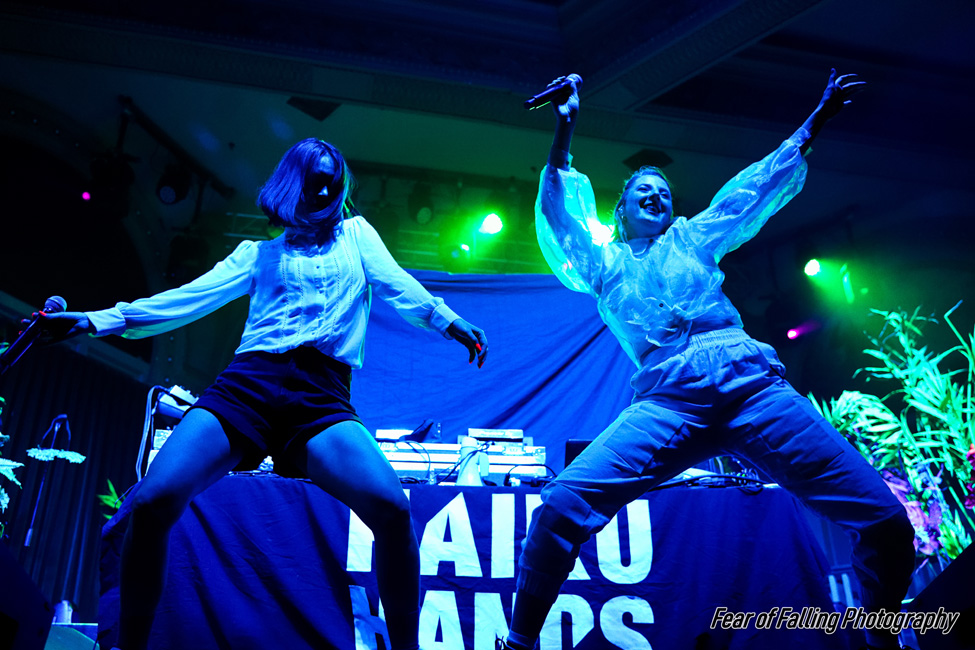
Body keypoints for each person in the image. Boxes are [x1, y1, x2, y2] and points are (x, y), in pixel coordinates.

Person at [499, 72, 915, 650]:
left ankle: (881, 638)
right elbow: (560, 218)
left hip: (751, 386)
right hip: (672, 399)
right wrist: (565, 128)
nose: (657, 193)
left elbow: (754, 189)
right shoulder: (604, 265)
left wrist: (817, 117)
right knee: (562, 506)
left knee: (888, 525)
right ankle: (519, 642)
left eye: (664, 189)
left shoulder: (692, 239)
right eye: (643, 188)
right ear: (618, 209)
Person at [37, 138, 488, 650]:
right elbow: (185, 300)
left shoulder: (357, 237)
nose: (323, 188)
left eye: (332, 181)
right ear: (291, 184)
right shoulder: (257, 255)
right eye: (313, 179)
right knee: (153, 501)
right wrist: (96, 321)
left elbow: (399, 285)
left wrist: (449, 322)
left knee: (393, 509)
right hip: (247, 387)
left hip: (319, 398)